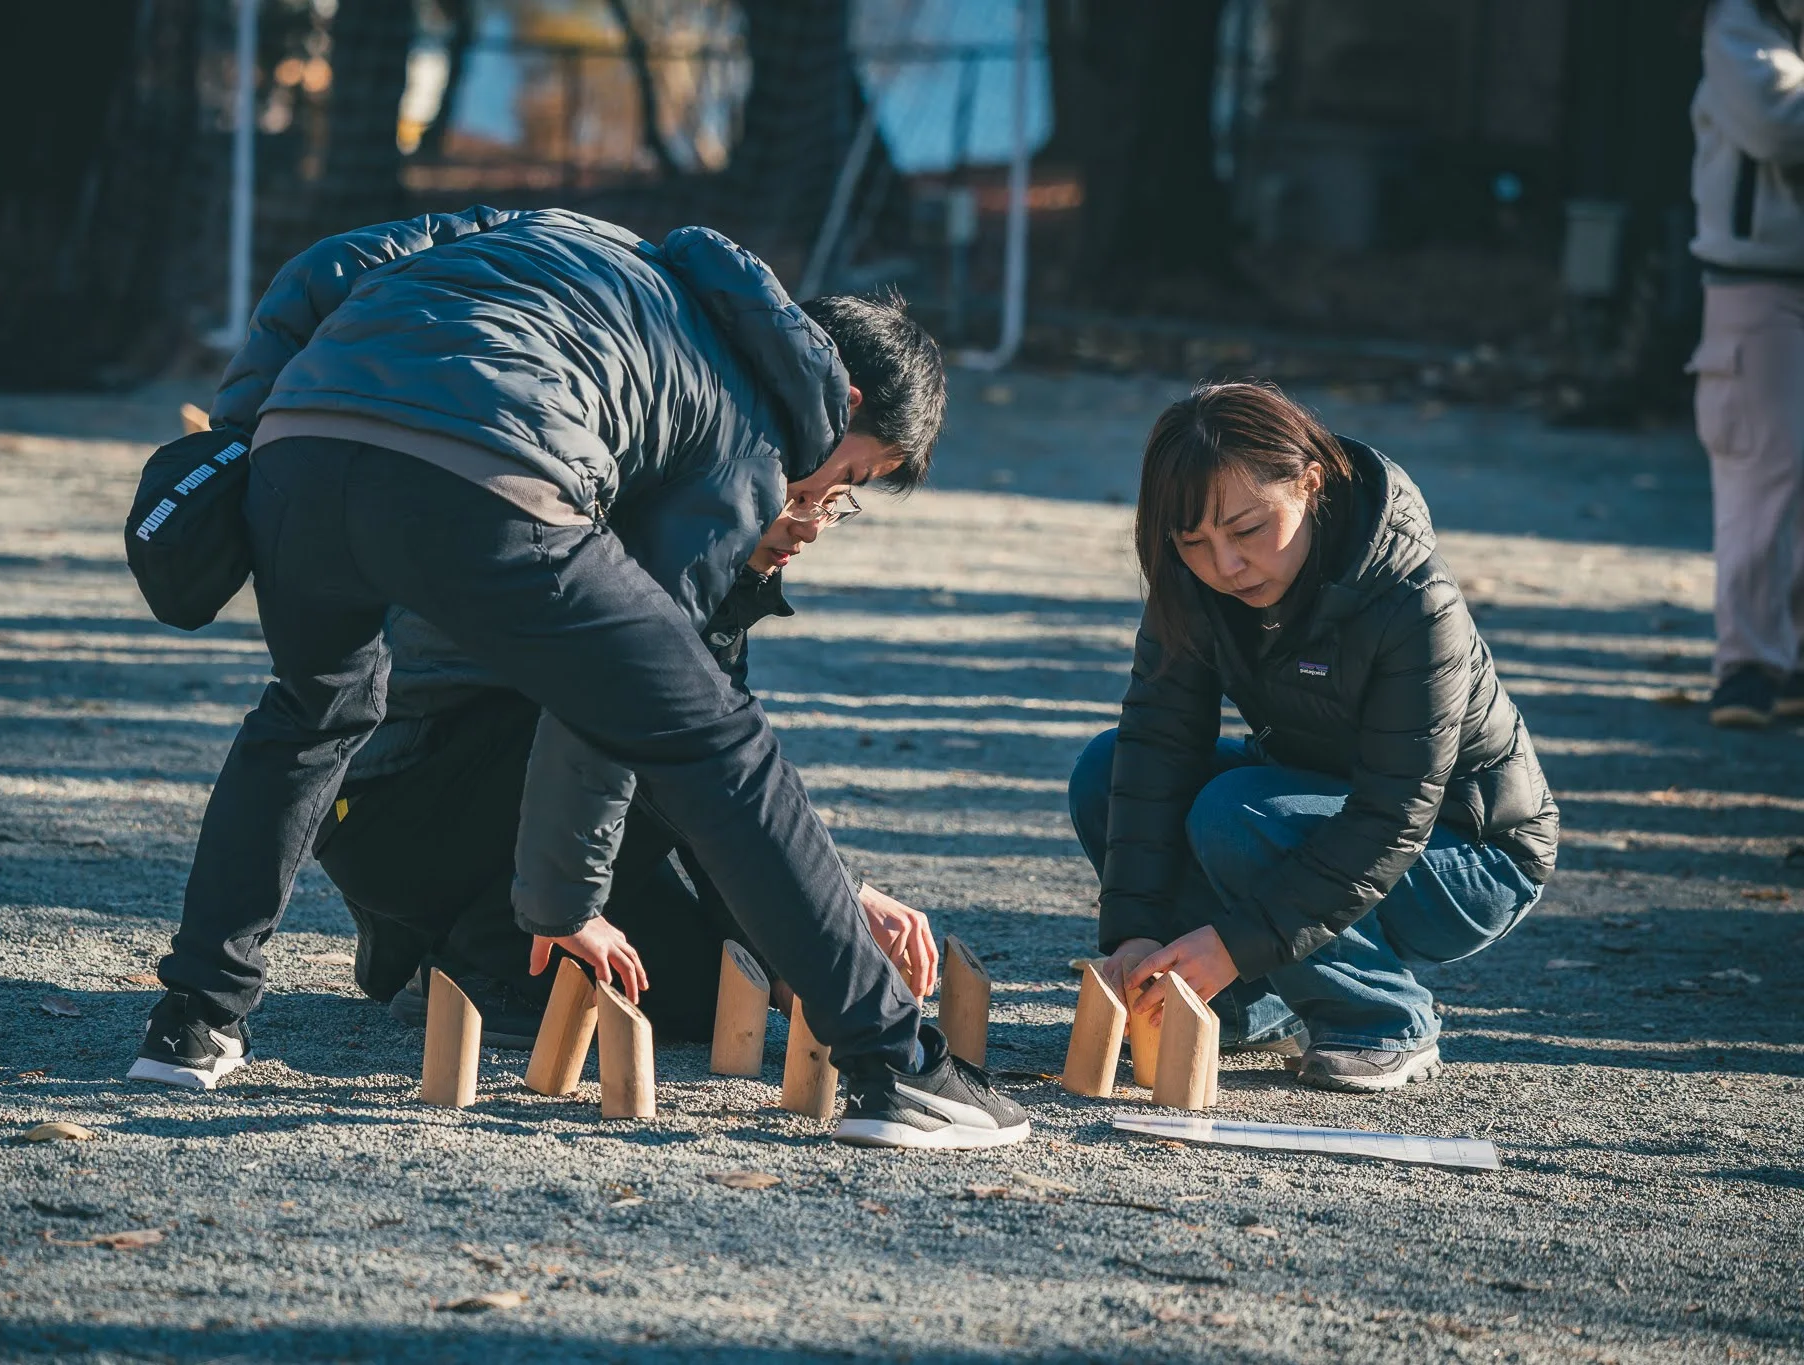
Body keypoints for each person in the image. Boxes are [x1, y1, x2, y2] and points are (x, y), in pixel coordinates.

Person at [129, 206, 1027, 1150]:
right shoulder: (750, 429)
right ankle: (898, 1063)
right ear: (843, 400)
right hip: (488, 472)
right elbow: (645, 716)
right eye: (849, 478)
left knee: (312, 712)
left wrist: (240, 435)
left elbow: (332, 261)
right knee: (713, 737)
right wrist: (566, 904)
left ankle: (194, 1022)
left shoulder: (582, 246)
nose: (823, 504)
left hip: (302, 445)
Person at [1068, 382, 1559, 1092]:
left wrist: (1234, 942)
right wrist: (1136, 930)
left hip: (1469, 852)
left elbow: (1394, 817)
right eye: (1194, 541)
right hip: (1308, 808)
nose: (1225, 565)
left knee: (1233, 813)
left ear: (1311, 483)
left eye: (1247, 529)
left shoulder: (1412, 597)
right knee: (1105, 770)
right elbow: (1155, 748)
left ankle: (1382, 1017)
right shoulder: (1193, 582)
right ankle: (1242, 1006)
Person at [321, 507, 940, 1046]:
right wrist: (832, 901)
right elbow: (692, 763)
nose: (810, 528)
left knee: (716, 995)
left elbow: (729, 769)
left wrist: (780, 945)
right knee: (652, 722)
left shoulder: (721, 568)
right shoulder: (646, 542)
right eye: (801, 498)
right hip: (396, 808)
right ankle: (470, 949)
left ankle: (423, 943)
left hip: (512, 806)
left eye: (834, 504)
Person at [1688, 0, 1804, 727]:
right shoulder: (1740, 22)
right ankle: (1750, 663)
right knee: (1764, 467)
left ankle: (1792, 660)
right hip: (1758, 279)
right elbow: (1776, 124)